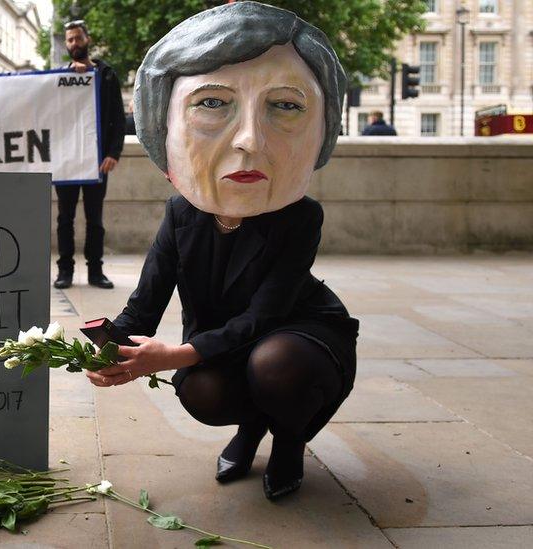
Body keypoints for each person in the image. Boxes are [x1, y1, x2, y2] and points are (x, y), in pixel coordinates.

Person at [86, 2, 359, 501]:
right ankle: (250, 428)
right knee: (203, 391)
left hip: (297, 336)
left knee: (275, 364)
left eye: (286, 105)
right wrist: (104, 347)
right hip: (224, 342)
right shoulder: (181, 213)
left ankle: (289, 443)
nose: (250, 141)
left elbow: (264, 316)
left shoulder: (301, 218)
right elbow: (146, 302)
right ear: (160, 129)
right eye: (212, 103)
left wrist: (174, 354)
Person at [53, 20, 125, 290]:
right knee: (65, 218)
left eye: (77, 38)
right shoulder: (60, 75)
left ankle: (96, 271)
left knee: (95, 218)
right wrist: (71, 76)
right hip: (67, 161)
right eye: (69, 40)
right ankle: (65, 272)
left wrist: (113, 153)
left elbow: (118, 117)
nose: (73, 43)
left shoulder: (106, 74)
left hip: (97, 161)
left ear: (87, 39)